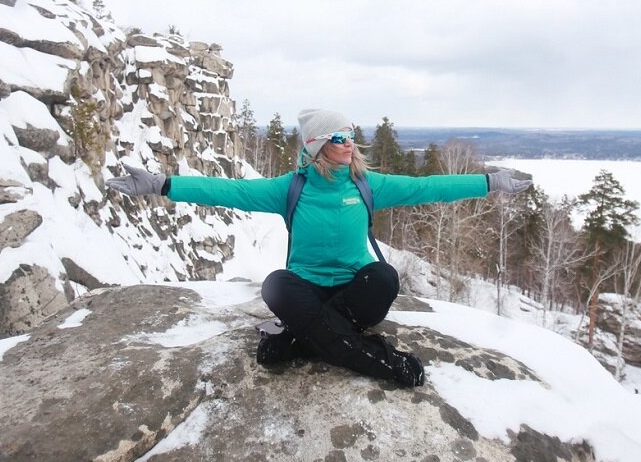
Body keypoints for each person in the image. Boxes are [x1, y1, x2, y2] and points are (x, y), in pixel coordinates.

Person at [107, 108, 531, 387]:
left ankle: (304, 339)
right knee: (276, 285)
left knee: (384, 276)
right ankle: (376, 359)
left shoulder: (368, 185)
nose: (350, 141)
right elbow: (228, 190)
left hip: (353, 296)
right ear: (316, 146)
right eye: (338, 136)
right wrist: (162, 185)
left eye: (350, 134)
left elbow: (427, 187)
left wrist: (489, 182)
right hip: (306, 293)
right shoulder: (290, 189)